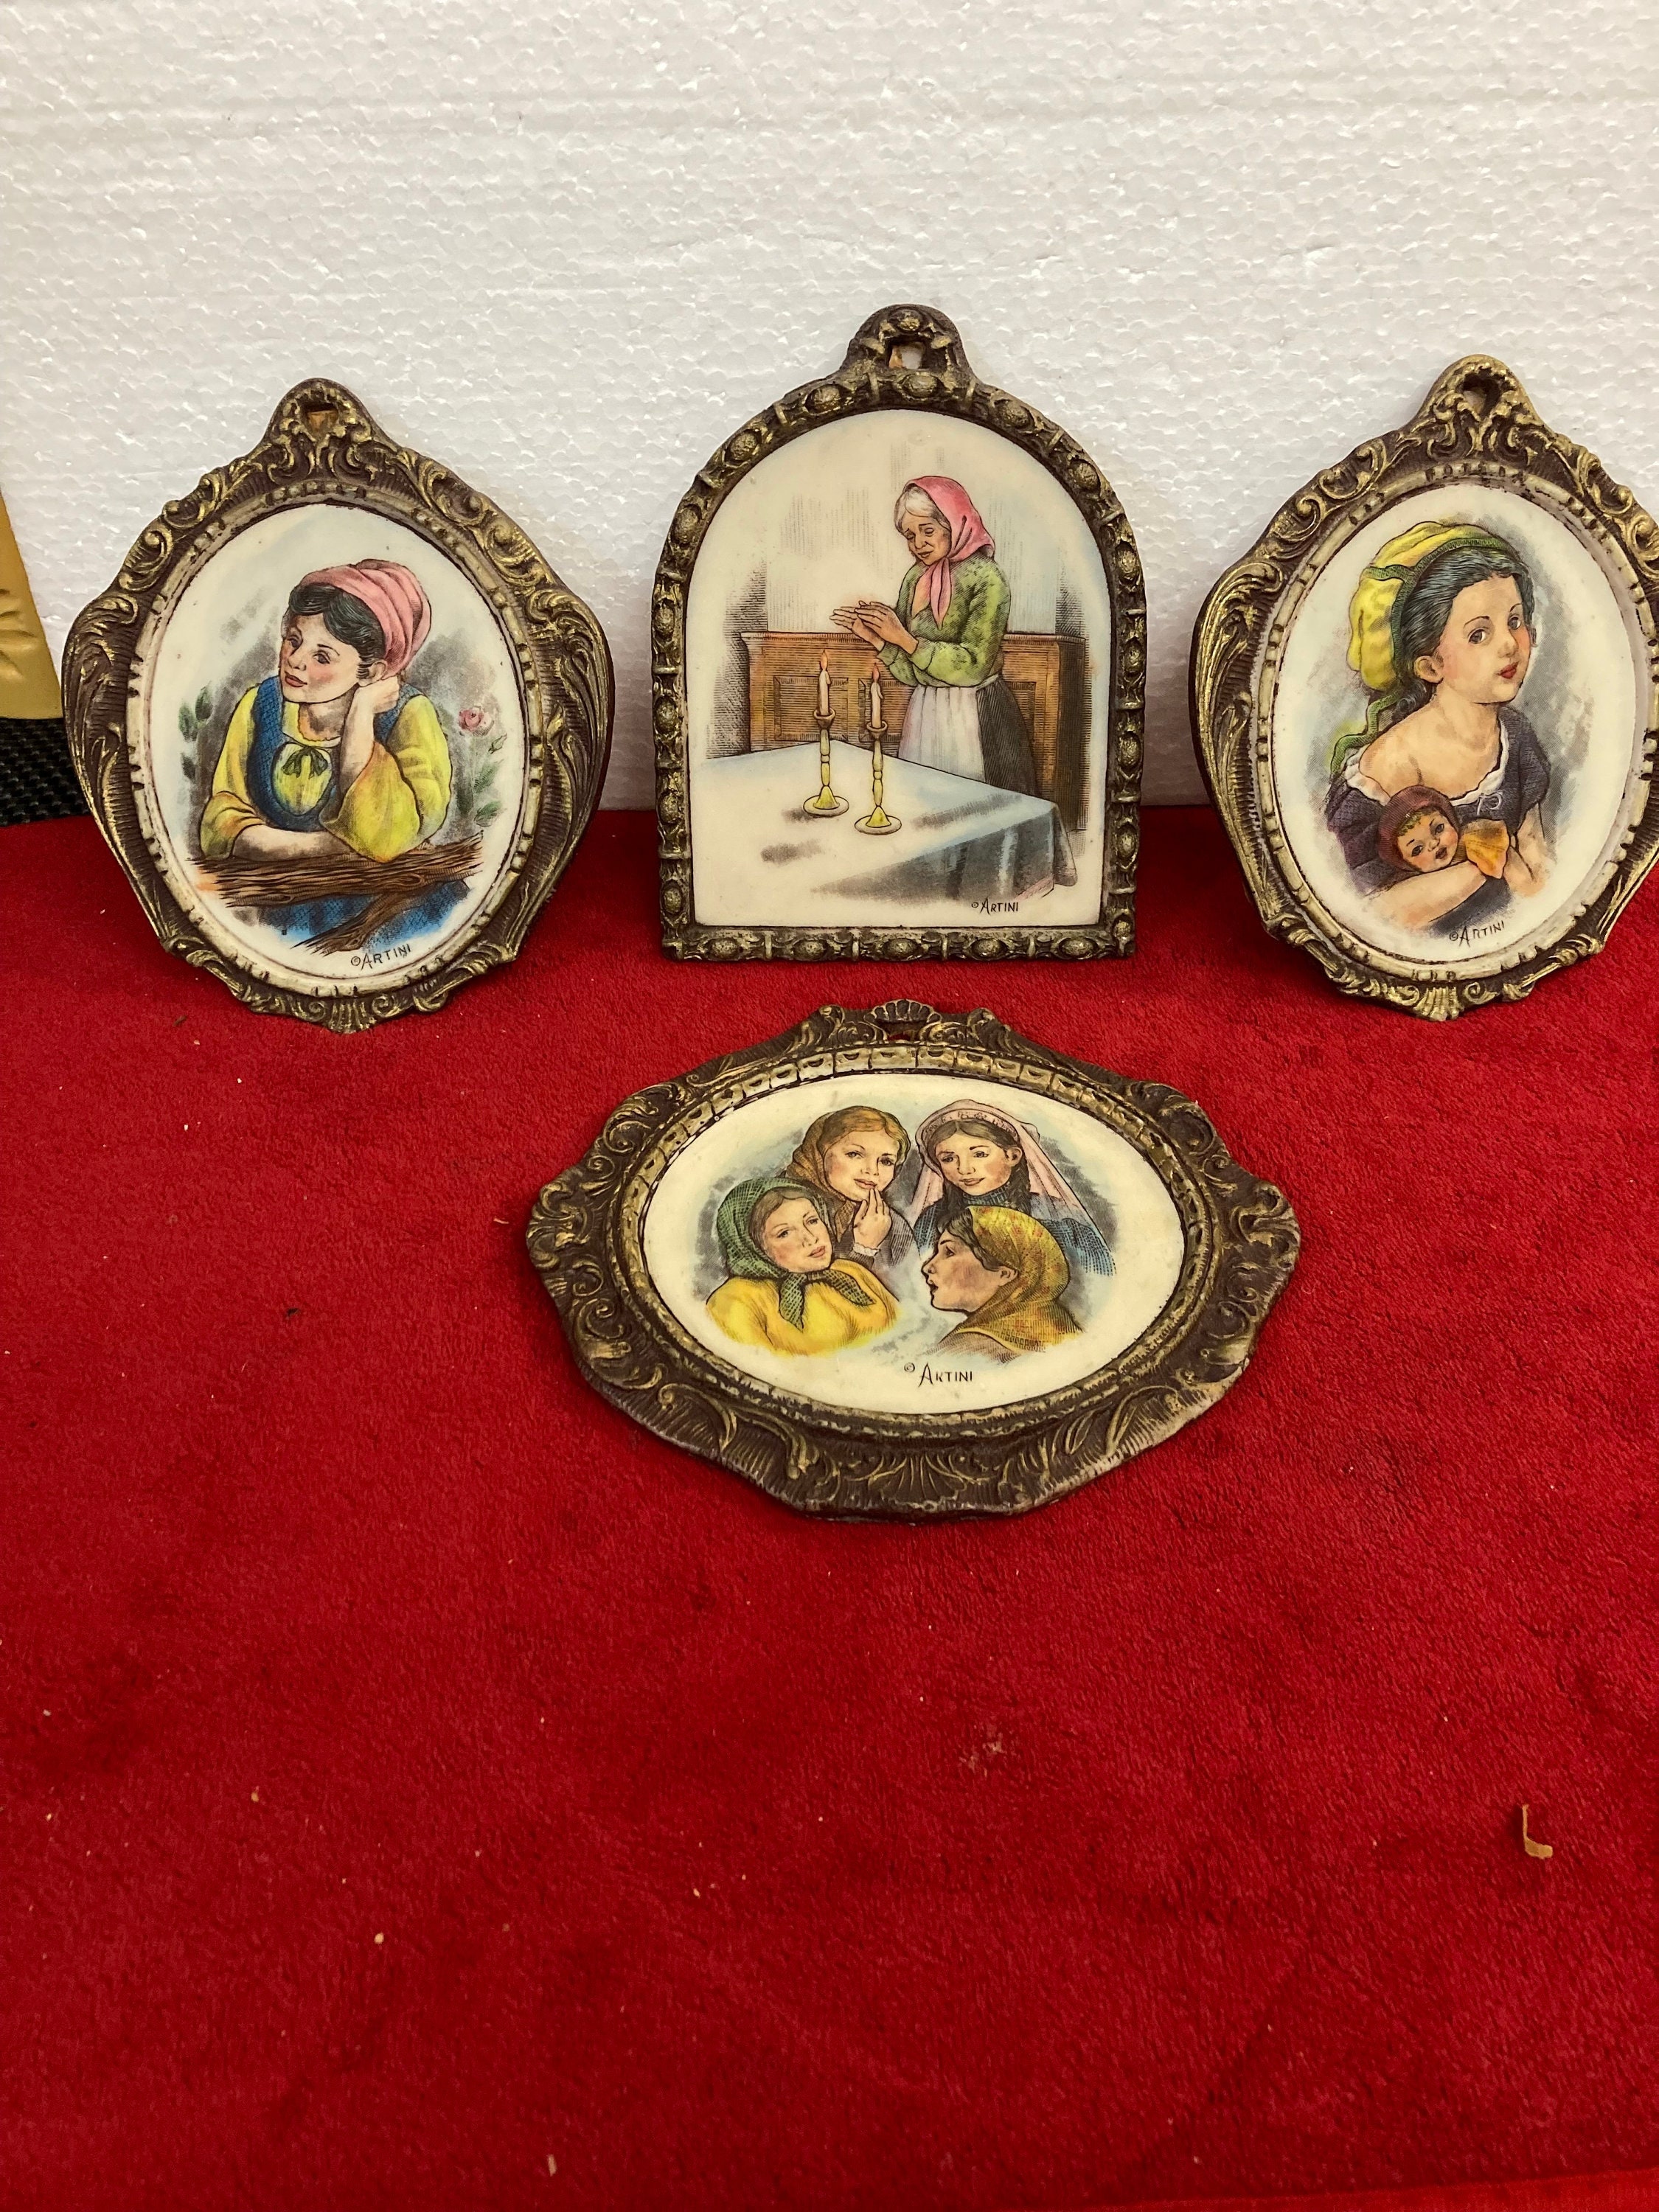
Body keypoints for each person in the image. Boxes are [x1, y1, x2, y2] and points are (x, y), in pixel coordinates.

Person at [1325, 521, 1550, 934]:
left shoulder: (1516, 738)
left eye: (1515, 621)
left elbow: (1534, 853)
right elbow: (1367, 912)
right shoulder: (1389, 768)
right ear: (1431, 666)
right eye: (1479, 634)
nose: (1509, 644)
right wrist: (1484, 861)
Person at [201, 560, 451, 868]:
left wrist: (361, 715)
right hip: (280, 889)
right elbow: (221, 823)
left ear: (372, 672)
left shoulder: (409, 714)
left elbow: (388, 839)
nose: (295, 661)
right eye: (294, 641)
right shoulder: (260, 704)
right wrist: (327, 846)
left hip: (395, 893)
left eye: (322, 656)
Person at [830, 476, 1052, 811]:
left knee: (977, 812)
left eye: (927, 530)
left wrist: (903, 638)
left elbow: (974, 666)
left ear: (954, 522)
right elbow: (911, 673)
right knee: (922, 807)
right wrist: (878, 639)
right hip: (925, 713)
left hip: (976, 714)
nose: (918, 543)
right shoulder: (915, 578)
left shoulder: (987, 577)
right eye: (910, 535)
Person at [908, 1100, 1113, 1276]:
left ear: (1012, 1156)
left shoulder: (1058, 1219)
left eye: (979, 1154)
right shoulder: (931, 1221)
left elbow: (1096, 1283)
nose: (964, 1169)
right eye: (949, 1159)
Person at [706, 1177, 899, 1357]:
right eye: (784, 1233)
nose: (811, 1238)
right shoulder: (734, 1301)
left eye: (812, 1221)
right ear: (753, 1246)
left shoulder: (850, 1272)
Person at [922, 1208, 1082, 1363]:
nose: (927, 1267)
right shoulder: (1064, 1333)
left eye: (949, 1252)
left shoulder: (966, 1350)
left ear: (1004, 1274)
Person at [783, 1106, 914, 1284]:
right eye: (854, 1154)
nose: (872, 1171)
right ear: (820, 1153)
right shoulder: (776, 1208)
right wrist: (863, 1250)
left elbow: (910, 1294)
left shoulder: (891, 1224)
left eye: (886, 1161)